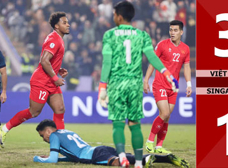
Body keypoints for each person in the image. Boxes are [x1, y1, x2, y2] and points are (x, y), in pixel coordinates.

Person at [97, 1, 178, 168]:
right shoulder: (142, 35)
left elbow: (107, 63)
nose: (113, 17)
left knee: (118, 123)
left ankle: (122, 157)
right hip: (135, 84)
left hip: (117, 84)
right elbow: (153, 57)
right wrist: (166, 73)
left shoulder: (110, 35)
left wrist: (102, 86)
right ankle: (139, 163)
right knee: (135, 125)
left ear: (119, 16)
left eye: (114, 14)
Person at [0, 12, 70, 147]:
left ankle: (61, 145)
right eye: (64, 22)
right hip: (42, 81)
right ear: (56, 26)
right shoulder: (54, 39)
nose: (68, 24)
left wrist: (57, 69)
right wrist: (55, 77)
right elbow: (44, 61)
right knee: (34, 112)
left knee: (60, 109)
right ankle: (4, 128)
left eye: (67, 22)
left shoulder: (58, 38)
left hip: (50, 80)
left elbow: (48, 61)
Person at [33, 119, 189, 168]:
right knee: (129, 157)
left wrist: (37, 158)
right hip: (99, 149)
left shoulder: (53, 136)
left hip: (94, 155)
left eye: (42, 136)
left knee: (118, 163)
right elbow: (74, 156)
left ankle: (147, 160)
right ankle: (166, 158)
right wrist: (60, 159)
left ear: (47, 131)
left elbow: (51, 160)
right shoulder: (66, 131)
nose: (44, 139)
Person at [144, 20, 192, 154]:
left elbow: (186, 67)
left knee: (167, 117)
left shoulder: (185, 49)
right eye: (171, 30)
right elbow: (153, 63)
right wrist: (146, 80)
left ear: (181, 32)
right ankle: (149, 141)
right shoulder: (162, 45)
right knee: (164, 113)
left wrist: (189, 84)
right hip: (160, 84)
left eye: (175, 30)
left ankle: (159, 146)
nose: (172, 33)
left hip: (173, 87)